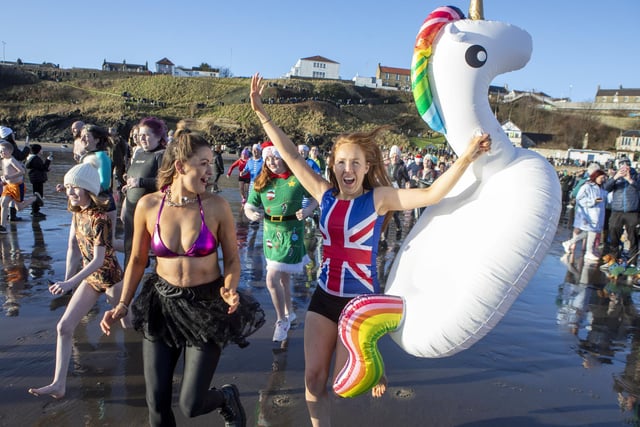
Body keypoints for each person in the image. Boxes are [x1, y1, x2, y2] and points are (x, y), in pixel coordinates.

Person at [249, 72, 491, 426]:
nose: (347, 169)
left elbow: (431, 194)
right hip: (324, 297)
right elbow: (291, 156)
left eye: (355, 163)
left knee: (346, 381)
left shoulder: (379, 199)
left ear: (366, 168)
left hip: (360, 306)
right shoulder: (324, 194)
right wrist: (262, 114)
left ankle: (373, 362)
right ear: (333, 165)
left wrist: (467, 157)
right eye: (341, 162)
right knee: (314, 380)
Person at [100, 126, 264, 427]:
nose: (210, 171)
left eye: (210, 163)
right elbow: (137, 259)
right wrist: (123, 303)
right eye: (202, 164)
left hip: (207, 305)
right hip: (162, 304)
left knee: (191, 404)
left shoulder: (216, 207)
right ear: (180, 166)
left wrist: (229, 288)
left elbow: (231, 259)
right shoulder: (149, 205)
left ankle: (226, 397)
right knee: (157, 402)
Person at [28, 163, 130, 399]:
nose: (70, 191)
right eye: (68, 187)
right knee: (64, 327)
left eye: (76, 188)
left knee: (128, 324)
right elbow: (73, 247)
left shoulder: (100, 219)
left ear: (88, 190)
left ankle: (150, 357)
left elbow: (98, 260)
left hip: (112, 278)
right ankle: (58, 384)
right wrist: (67, 279)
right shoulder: (77, 213)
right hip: (91, 279)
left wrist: (70, 283)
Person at [244, 141, 318, 341]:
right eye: (268, 158)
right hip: (270, 236)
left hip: (292, 233)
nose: (272, 162)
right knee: (283, 278)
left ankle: (281, 320)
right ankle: (290, 312)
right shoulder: (262, 181)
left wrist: (309, 210)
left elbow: (316, 196)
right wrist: (251, 214)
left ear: (284, 157)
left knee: (272, 278)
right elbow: (249, 205)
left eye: (275, 157)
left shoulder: (297, 179)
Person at [121, 117, 166, 269]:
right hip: (130, 211)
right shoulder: (139, 154)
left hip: (151, 214)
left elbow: (166, 183)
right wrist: (129, 186)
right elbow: (134, 179)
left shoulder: (161, 155)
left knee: (156, 254)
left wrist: (139, 182)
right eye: (140, 135)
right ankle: (126, 288)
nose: (142, 138)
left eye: (146, 135)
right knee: (130, 251)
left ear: (158, 137)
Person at [79, 124, 123, 252]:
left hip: (104, 203)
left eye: (86, 136)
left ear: (97, 140)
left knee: (109, 243)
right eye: (81, 136)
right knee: (87, 240)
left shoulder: (102, 157)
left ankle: (139, 254)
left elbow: (104, 183)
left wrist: (84, 190)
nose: (82, 139)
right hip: (88, 203)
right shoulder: (87, 156)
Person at [562, 169, 607, 262]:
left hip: (599, 213)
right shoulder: (587, 186)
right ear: (596, 176)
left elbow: (606, 198)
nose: (602, 180)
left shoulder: (602, 188)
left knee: (589, 233)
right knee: (592, 232)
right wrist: (593, 201)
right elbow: (579, 198)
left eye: (603, 178)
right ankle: (589, 252)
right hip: (589, 213)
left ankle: (569, 243)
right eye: (601, 178)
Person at [602, 157, 640, 267]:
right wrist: (615, 177)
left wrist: (629, 179)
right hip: (617, 210)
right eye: (622, 165)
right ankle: (614, 259)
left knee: (633, 237)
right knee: (613, 235)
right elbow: (606, 188)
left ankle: (632, 262)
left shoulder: (636, 176)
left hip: (632, 211)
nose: (624, 168)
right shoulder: (616, 176)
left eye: (626, 165)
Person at [0, 141, 37, 234]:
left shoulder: (12, 160)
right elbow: (5, 172)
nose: (1, 153)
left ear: (10, 152)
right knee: (3, 204)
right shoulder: (2, 160)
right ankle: (3, 226)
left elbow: (22, 171)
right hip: (8, 186)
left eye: (3, 151)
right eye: (0, 151)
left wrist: (9, 177)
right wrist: (3, 179)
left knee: (19, 208)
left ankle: (34, 198)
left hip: (17, 186)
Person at [1, 126, 31, 221]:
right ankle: (12, 216)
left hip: (3, 172)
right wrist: (27, 146)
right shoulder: (9, 146)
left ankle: (7, 216)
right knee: (12, 195)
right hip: (11, 174)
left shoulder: (2, 144)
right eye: (13, 134)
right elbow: (21, 156)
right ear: (10, 135)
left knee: (6, 195)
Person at [25, 143, 52, 219]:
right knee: (38, 195)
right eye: (41, 149)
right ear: (38, 151)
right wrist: (48, 160)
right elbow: (43, 167)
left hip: (35, 178)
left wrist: (47, 168)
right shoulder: (35, 159)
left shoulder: (32, 158)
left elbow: (41, 168)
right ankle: (35, 211)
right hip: (37, 179)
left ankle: (35, 210)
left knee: (37, 194)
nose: (42, 151)